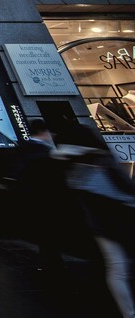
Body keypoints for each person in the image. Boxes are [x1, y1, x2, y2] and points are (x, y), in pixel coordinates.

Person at [54, 122, 135, 318]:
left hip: (99, 224)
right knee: (118, 267)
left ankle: (128, 311)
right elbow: (122, 190)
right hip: (118, 219)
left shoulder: (69, 163)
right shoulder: (98, 160)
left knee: (116, 266)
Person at [7, 118, 68, 272]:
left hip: (31, 198)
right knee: (50, 233)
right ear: (44, 132)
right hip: (46, 199)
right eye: (49, 132)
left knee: (45, 233)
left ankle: (50, 262)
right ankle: (53, 264)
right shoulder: (45, 153)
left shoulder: (22, 148)